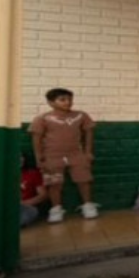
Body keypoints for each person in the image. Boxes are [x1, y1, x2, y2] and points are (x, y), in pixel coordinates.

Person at [30, 88, 98, 222]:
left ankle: (88, 205)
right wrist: (39, 158)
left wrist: (88, 152)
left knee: (84, 180)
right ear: (51, 102)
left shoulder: (81, 115)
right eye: (62, 100)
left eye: (70, 99)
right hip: (52, 155)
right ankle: (56, 209)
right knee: (54, 183)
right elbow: (36, 139)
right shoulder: (42, 118)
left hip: (76, 154)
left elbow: (88, 133)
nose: (68, 102)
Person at [20, 153, 47, 228]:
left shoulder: (32, 174)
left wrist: (25, 203)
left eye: (21, 157)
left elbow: (43, 195)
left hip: (26, 207)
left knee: (32, 211)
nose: (20, 159)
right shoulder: (4, 177)